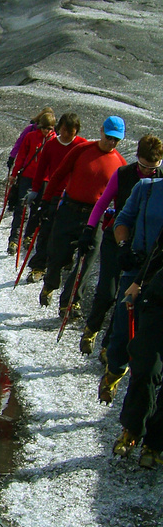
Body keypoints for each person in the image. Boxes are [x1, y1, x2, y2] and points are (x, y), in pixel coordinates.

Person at [79, 135, 163, 355]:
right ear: (137, 158)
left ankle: (109, 348)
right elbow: (102, 203)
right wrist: (89, 229)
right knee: (107, 291)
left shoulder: (160, 181)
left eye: (153, 168)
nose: (147, 172)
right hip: (115, 240)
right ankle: (91, 329)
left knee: (126, 299)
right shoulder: (123, 174)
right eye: (143, 166)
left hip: (143, 248)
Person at [38, 116, 126, 316]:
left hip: (96, 217)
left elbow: (122, 196)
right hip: (69, 209)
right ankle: (50, 284)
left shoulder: (120, 164)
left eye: (116, 140)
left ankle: (69, 302)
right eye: (109, 137)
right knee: (57, 256)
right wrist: (45, 201)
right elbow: (59, 174)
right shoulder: (82, 150)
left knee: (86, 262)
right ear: (102, 131)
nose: (111, 142)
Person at [98, 172, 163, 403]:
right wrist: (124, 246)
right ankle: (114, 372)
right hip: (136, 270)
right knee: (123, 334)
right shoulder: (146, 188)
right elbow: (122, 220)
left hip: (160, 277)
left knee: (150, 352)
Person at [112, 250, 163, 467]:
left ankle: (155, 443)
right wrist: (139, 281)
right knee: (145, 367)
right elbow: (160, 249)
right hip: (159, 299)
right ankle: (132, 429)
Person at [24, 112, 85, 282]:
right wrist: (35, 191)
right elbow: (41, 169)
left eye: (71, 132)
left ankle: (63, 262)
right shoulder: (51, 145)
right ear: (59, 128)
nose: (66, 135)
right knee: (45, 231)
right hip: (52, 194)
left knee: (67, 234)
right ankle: (38, 267)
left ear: (76, 131)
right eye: (64, 130)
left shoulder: (82, 146)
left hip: (73, 197)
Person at [7, 110, 56, 254]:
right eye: (43, 128)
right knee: (20, 208)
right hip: (27, 177)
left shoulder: (54, 141)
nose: (46, 131)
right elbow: (21, 156)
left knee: (37, 210)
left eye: (49, 128)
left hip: (44, 180)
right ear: (39, 126)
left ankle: (28, 237)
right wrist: (14, 174)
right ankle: (14, 240)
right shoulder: (30, 136)